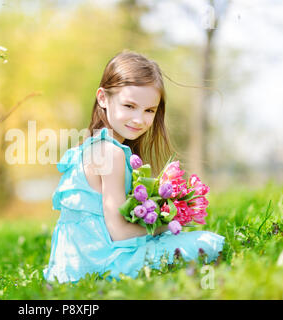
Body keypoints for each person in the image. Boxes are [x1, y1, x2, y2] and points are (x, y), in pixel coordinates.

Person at [43, 50, 225, 283]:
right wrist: (172, 221)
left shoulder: (87, 147)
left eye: (149, 110)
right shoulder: (112, 153)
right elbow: (120, 233)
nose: (139, 119)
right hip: (104, 265)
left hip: (72, 267)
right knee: (209, 243)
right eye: (129, 106)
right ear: (103, 98)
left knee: (181, 242)